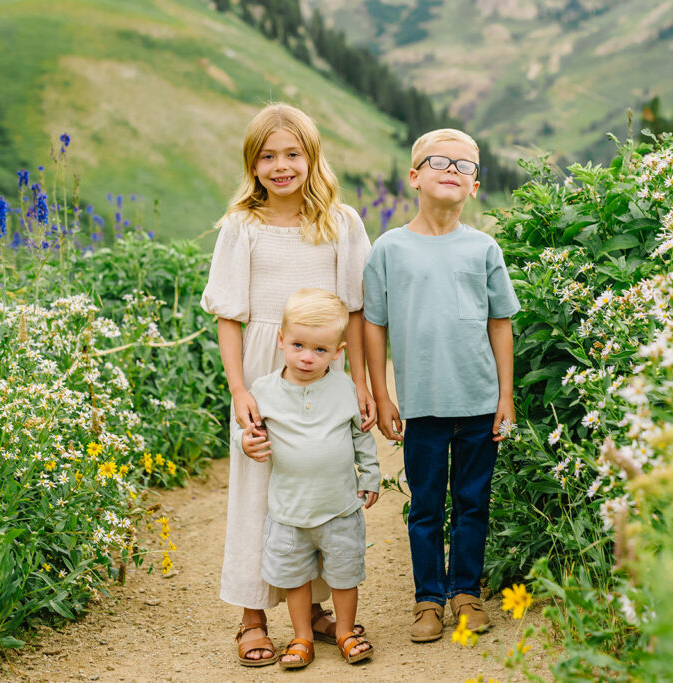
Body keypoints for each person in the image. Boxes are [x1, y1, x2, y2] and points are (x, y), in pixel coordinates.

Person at [200, 102, 376, 667]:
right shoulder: (241, 227)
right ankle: (252, 616)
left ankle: (315, 609)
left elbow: (356, 312)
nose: (281, 166)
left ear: (311, 157)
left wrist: (364, 384)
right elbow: (230, 315)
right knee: (259, 486)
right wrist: (240, 390)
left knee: (321, 481)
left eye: (292, 154)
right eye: (268, 156)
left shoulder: (342, 223)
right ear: (252, 165)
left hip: (327, 371)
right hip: (262, 363)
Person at [363, 128, 520, 643]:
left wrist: (505, 396)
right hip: (422, 406)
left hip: (478, 402)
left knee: (473, 502)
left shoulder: (483, 248)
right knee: (427, 506)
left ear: (475, 186)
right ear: (414, 177)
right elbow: (374, 325)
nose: (452, 169)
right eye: (439, 161)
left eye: (465, 165)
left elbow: (501, 322)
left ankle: (466, 593)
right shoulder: (389, 249)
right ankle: (428, 600)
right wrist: (383, 394)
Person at [234, 288, 380, 669]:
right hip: (289, 510)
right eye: (298, 345)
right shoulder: (264, 390)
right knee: (295, 577)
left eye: (319, 350)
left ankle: (345, 630)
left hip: (340, 507)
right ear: (281, 340)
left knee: (345, 573)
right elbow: (246, 429)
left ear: (337, 352)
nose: (306, 357)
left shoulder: (344, 387)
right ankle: (302, 637)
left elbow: (361, 435)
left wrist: (371, 474)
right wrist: (245, 441)